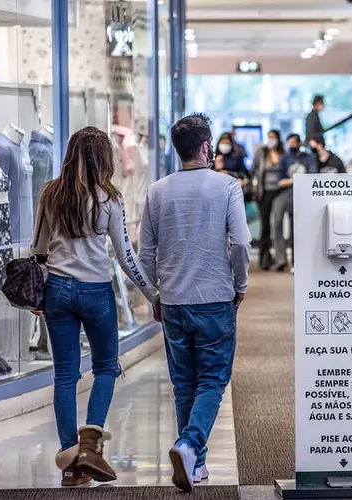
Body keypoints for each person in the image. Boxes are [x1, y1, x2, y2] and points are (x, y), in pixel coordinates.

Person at [31, 127, 160, 487]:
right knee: (106, 367)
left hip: (57, 291)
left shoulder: (50, 194)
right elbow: (126, 257)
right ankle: (90, 446)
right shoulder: (109, 198)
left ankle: (71, 464)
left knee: (64, 376)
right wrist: (154, 296)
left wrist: (38, 297)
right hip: (96, 293)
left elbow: (38, 249)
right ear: (105, 158)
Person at [139, 113, 251, 492]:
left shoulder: (156, 190)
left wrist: (153, 295)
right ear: (206, 147)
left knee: (184, 383)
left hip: (172, 302)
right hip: (214, 298)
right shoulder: (227, 187)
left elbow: (145, 254)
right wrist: (240, 283)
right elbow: (240, 243)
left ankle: (196, 465)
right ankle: (188, 444)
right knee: (213, 380)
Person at [272, 133, 316, 272]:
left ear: (299, 144)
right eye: (289, 143)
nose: (291, 145)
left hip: (303, 196)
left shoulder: (308, 158)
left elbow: (312, 177)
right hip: (286, 194)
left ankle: (297, 262)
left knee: (296, 229)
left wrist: (293, 180)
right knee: (276, 222)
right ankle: (281, 260)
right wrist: (295, 180)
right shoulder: (285, 159)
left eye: (293, 143)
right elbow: (280, 181)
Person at [251, 130, 286, 270]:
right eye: (269, 137)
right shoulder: (262, 152)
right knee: (265, 227)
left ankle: (280, 259)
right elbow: (253, 169)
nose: (271, 140)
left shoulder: (283, 153)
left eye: (274, 137)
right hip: (264, 192)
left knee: (277, 224)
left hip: (280, 191)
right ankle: (264, 258)